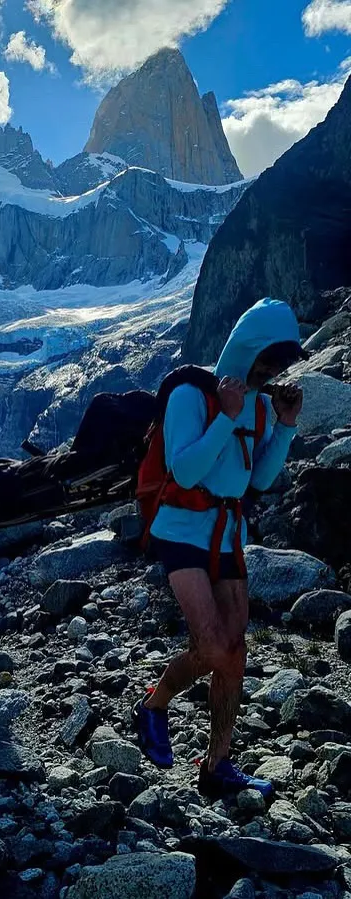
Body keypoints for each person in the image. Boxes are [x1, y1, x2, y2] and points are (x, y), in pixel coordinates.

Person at [134, 298, 306, 799]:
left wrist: (286, 424)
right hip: (182, 528)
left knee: (233, 655)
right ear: (246, 350)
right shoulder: (191, 393)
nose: (270, 372)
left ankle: (218, 764)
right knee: (211, 646)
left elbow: (261, 478)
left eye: (278, 365)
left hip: (228, 532)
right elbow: (185, 470)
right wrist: (228, 416)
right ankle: (154, 702)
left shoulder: (255, 402)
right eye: (266, 361)